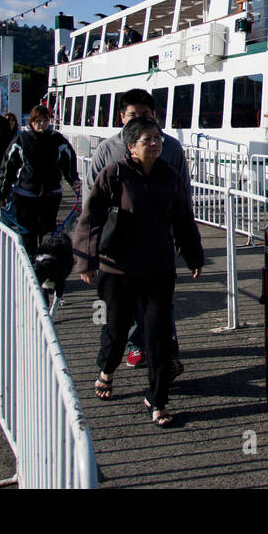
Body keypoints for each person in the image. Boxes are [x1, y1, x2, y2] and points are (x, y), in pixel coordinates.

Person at [74, 117, 205, 428]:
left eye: (157, 138)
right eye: (147, 140)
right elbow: (91, 218)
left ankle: (158, 399)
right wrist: (87, 261)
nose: (155, 143)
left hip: (158, 268)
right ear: (131, 146)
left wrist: (194, 255)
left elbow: (184, 219)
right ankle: (107, 369)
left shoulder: (169, 177)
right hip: (117, 268)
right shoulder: (114, 174)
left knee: (157, 335)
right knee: (117, 330)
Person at [85, 88, 191, 368]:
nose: (139, 119)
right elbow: (91, 200)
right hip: (119, 241)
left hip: (159, 237)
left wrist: (185, 234)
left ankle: (166, 349)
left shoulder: (170, 147)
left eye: (145, 114)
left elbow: (183, 193)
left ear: (154, 115)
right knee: (126, 301)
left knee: (161, 298)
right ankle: (135, 346)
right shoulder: (107, 149)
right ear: (122, 117)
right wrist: (89, 249)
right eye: (133, 115)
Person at [0, 105, 81, 257]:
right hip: (25, 195)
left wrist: (73, 180)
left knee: (48, 233)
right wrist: (1, 193)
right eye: (38, 121)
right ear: (31, 122)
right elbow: (8, 167)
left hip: (51, 194)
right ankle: (28, 266)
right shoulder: (21, 140)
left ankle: (45, 265)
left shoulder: (57, 139)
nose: (41, 124)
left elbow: (68, 162)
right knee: (28, 234)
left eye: (45, 121)